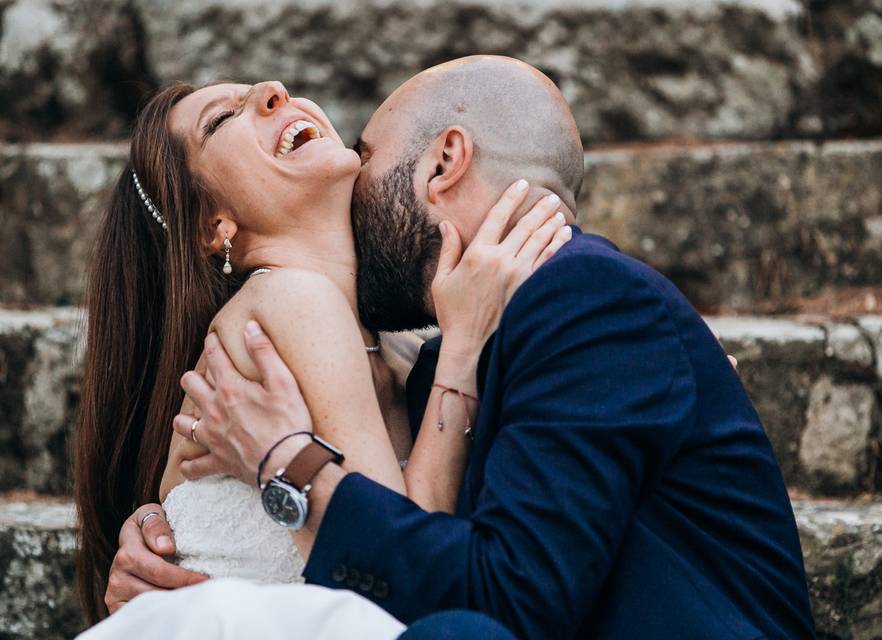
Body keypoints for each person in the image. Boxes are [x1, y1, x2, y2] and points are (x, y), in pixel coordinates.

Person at [104, 56, 816, 639]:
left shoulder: (580, 304)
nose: (277, 91)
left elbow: (472, 582)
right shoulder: (433, 351)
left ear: (444, 162)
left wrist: (283, 463)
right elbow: (411, 536)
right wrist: (161, 528)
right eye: (228, 116)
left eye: (368, 158)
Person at [74, 72, 572, 638]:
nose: (274, 89)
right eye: (223, 119)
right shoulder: (289, 301)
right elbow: (404, 559)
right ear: (214, 226)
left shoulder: (401, 353)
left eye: (264, 92)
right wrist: (464, 346)